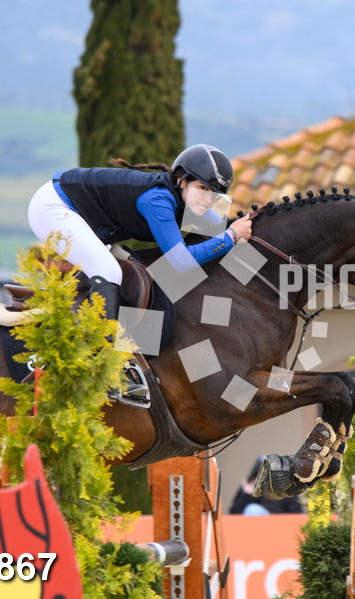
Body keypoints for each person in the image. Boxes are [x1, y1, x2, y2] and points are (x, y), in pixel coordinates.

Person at [27, 144, 253, 397]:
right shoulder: (157, 200)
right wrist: (232, 237)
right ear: (182, 180)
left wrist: (241, 230)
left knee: (135, 275)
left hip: (81, 214)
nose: (208, 199)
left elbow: (223, 225)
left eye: (215, 193)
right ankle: (107, 368)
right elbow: (180, 260)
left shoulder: (189, 199)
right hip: (53, 208)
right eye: (203, 188)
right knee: (109, 272)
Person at [230, 456, 304, 516]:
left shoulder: (287, 490)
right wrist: (247, 496)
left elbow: (297, 515)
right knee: (253, 510)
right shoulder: (249, 489)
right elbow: (234, 515)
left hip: (281, 528)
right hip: (253, 528)